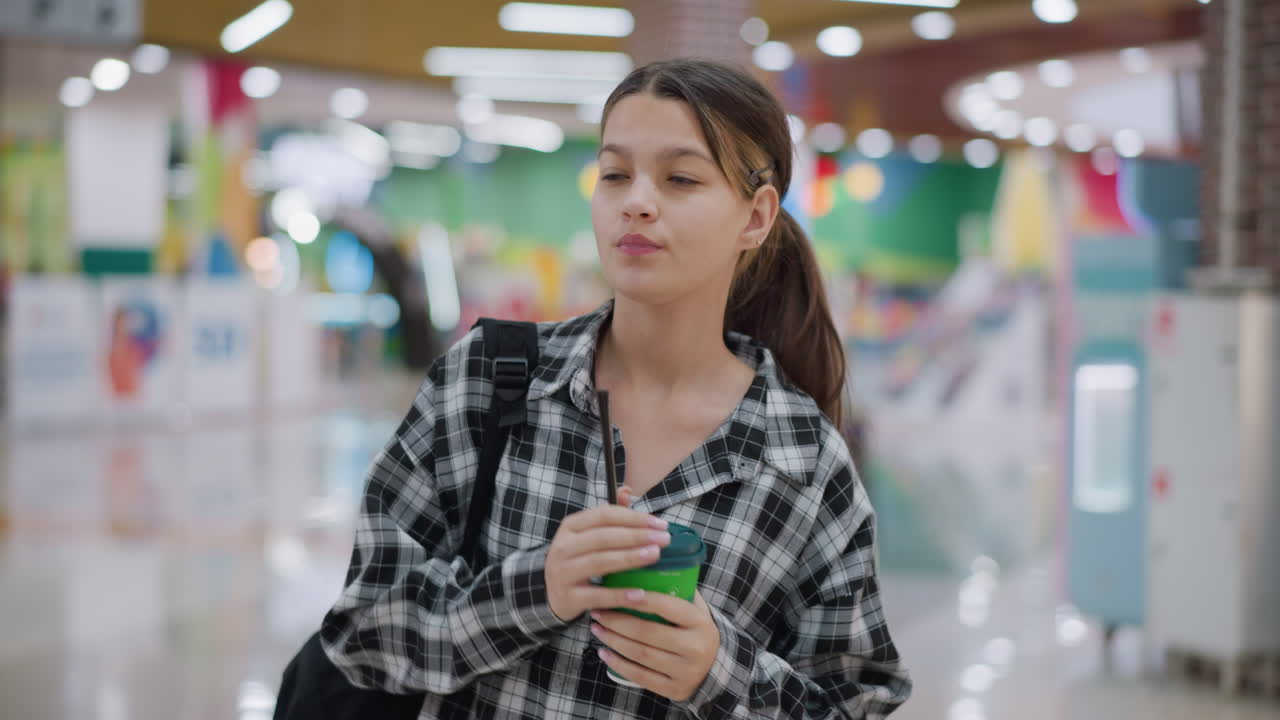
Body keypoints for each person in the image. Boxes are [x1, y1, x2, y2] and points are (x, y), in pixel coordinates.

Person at [320, 58, 912, 719]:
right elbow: (362, 628)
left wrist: (718, 674)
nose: (636, 200)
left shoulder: (803, 463)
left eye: (680, 178)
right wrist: (535, 588)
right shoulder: (486, 383)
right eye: (614, 174)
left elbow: (854, 703)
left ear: (756, 217)